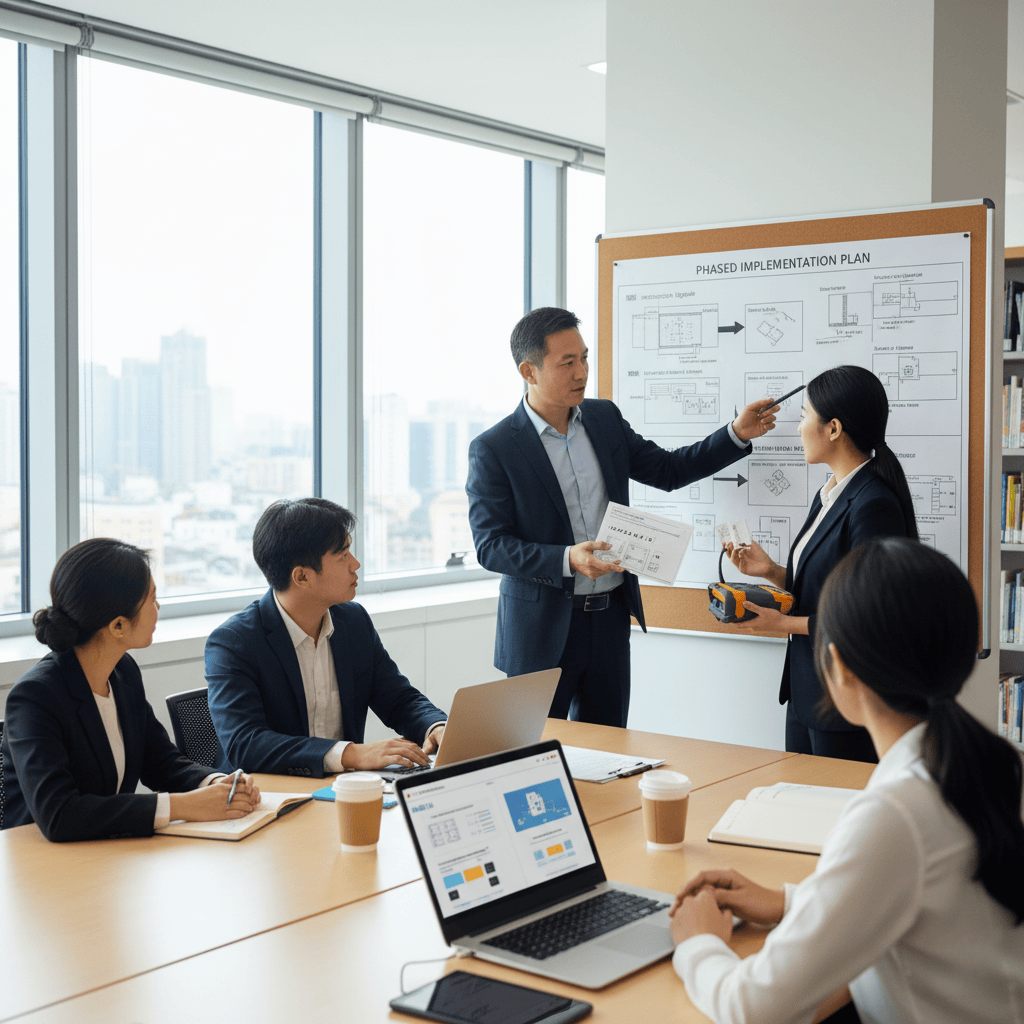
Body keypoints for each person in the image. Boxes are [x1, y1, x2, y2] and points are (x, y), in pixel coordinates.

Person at [669, 537, 1024, 1024]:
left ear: (838, 665)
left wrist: (699, 943)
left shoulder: (895, 814)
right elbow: (918, 895)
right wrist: (789, 902)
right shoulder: (978, 762)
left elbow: (749, 1008)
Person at [467, 306, 777, 728]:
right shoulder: (495, 447)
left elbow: (668, 470)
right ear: (529, 371)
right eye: (568, 362)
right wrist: (567, 558)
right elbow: (491, 546)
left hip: (609, 618)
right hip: (540, 632)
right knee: (536, 754)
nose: (583, 372)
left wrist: (735, 435)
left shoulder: (604, 418)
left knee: (610, 749)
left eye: (585, 357)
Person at [1, 538, 260, 842]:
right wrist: (182, 806)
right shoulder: (35, 697)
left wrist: (215, 783)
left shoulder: (123, 671)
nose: (158, 607)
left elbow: (159, 761)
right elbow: (60, 814)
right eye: (152, 598)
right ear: (118, 626)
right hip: (44, 866)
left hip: (107, 853)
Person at [724, 365, 917, 761]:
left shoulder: (873, 503)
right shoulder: (830, 492)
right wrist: (773, 571)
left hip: (843, 703)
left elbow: (868, 618)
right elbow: (830, 583)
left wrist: (783, 624)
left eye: (803, 417)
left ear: (833, 428)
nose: (797, 429)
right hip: (806, 693)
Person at [205, 498, 447, 777]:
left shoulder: (353, 622)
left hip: (343, 789)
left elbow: (398, 699)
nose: (355, 564)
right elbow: (245, 744)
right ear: (302, 577)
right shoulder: (233, 643)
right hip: (267, 798)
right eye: (343, 555)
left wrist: (436, 726)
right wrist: (351, 753)